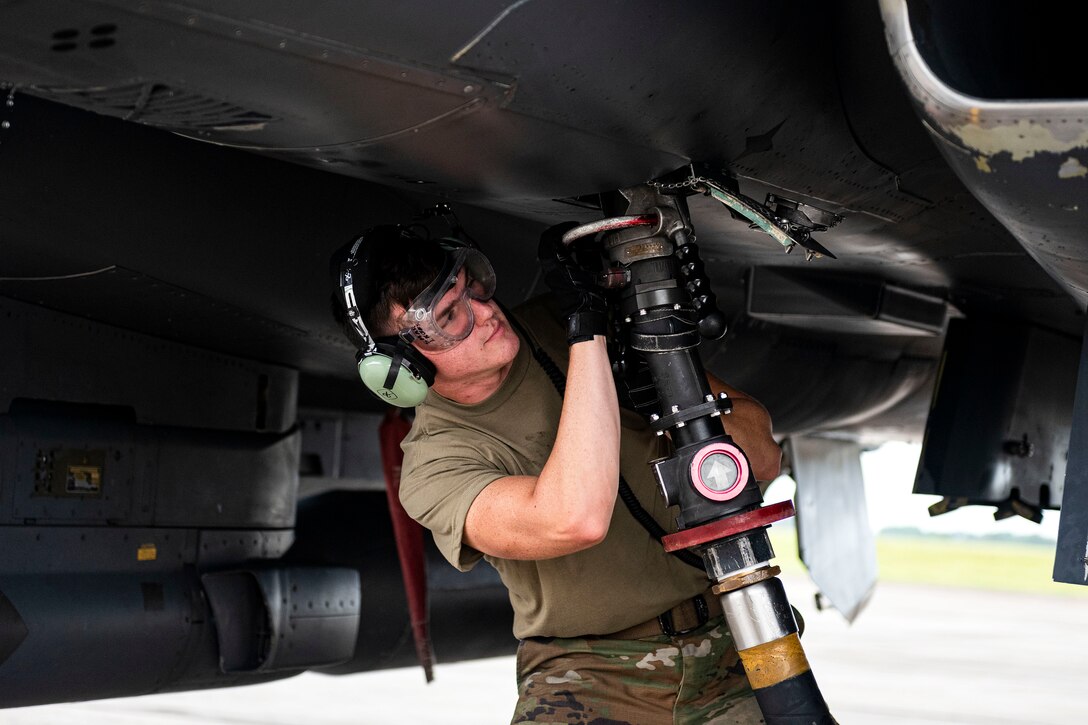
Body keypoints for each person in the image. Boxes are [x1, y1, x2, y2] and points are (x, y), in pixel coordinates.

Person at [337, 223, 782, 724]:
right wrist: (587, 336)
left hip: (732, 636)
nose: (485, 314)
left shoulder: (558, 323)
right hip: (589, 672)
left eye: (475, 290)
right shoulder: (433, 465)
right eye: (449, 317)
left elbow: (763, 457)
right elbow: (575, 520)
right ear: (401, 365)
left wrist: (672, 397)